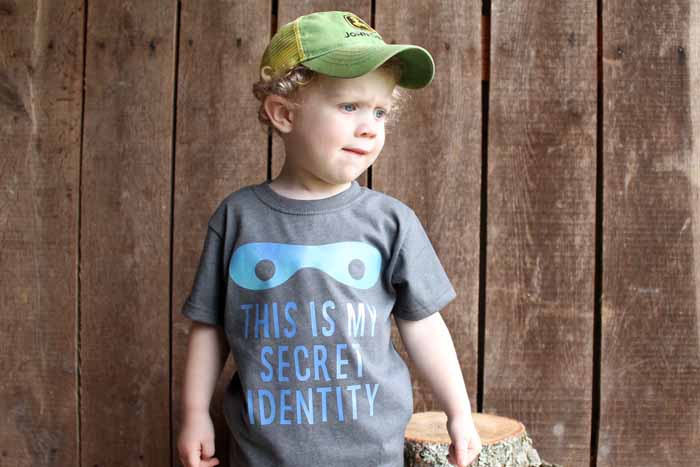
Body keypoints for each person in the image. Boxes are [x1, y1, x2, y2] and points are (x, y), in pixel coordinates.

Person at [177, 10, 482, 467]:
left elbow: (424, 325)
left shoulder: (389, 221)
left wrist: (459, 413)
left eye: (379, 111)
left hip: (371, 453)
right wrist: (194, 411)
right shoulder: (238, 218)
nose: (369, 126)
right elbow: (211, 325)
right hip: (263, 454)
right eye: (349, 107)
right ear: (283, 113)